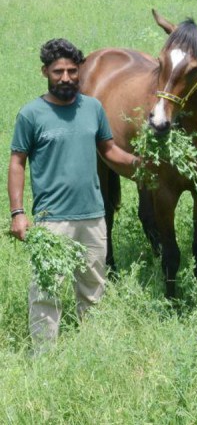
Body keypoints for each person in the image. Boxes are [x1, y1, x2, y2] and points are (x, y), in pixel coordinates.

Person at [8, 38, 140, 350]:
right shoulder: (31, 114)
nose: (66, 77)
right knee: (46, 291)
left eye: (71, 70)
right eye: (58, 71)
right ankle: (45, 356)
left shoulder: (92, 108)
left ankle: (90, 350)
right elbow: (17, 163)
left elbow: (109, 151)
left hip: (93, 216)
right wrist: (18, 213)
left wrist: (142, 164)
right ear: (45, 72)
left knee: (93, 288)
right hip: (52, 220)